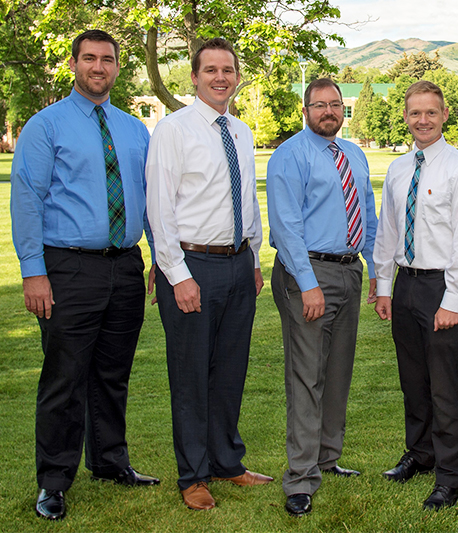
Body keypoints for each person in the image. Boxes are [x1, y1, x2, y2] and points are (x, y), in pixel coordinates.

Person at [10, 29, 160, 521]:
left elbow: (151, 200)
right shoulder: (45, 126)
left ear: (118, 67)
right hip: (68, 266)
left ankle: (111, 461)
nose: (99, 67)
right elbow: (28, 200)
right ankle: (54, 481)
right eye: (90, 58)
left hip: (124, 265)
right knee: (64, 377)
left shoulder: (135, 129)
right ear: (74, 64)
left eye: (108, 59)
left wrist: (160, 257)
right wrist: (33, 273)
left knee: (112, 374)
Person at [146, 37, 271, 511]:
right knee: (191, 374)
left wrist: (254, 258)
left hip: (239, 264)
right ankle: (193, 474)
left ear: (237, 76)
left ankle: (226, 461)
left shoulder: (240, 130)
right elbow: (160, 209)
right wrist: (177, 275)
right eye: (211, 69)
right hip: (193, 264)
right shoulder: (173, 130)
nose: (221, 77)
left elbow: (246, 199)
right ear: (194, 76)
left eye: (229, 69)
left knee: (229, 372)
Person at [267, 78, 378, 517]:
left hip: (349, 271)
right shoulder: (289, 156)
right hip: (308, 274)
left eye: (335, 105)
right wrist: (308, 282)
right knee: (306, 375)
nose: (328, 111)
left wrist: (376, 273)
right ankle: (299, 478)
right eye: (319, 105)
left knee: (337, 373)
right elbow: (286, 226)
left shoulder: (353, 153)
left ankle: (327, 459)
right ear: (305, 109)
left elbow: (366, 213)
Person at [373, 80, 458, 510]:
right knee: (413, 381)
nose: (422, 120)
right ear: (405, 116)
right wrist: (384, 287)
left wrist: (452, 300)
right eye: (415, 113)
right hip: (406, 283)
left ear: (444, 116)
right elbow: (388, 230)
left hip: (443, 284)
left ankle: (452, 476)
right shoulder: (400, 169)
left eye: (430, 113)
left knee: (444, 385)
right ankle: (420, 454)